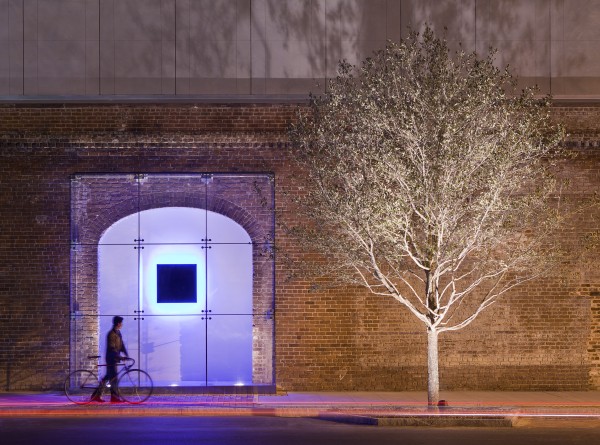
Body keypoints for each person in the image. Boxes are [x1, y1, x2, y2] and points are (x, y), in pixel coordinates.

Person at [91, 316, 129, 403]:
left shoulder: (118, 332)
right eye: (121, 323)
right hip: (111, 358)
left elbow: (122, 345)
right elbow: (112, 348)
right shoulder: (111, 334)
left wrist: (126, 354)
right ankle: (113, 397)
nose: (122, 324)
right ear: (118, 323)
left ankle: (96, 396)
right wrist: (120, 357)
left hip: (114, 358)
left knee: (109, 377)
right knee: (113, 378)